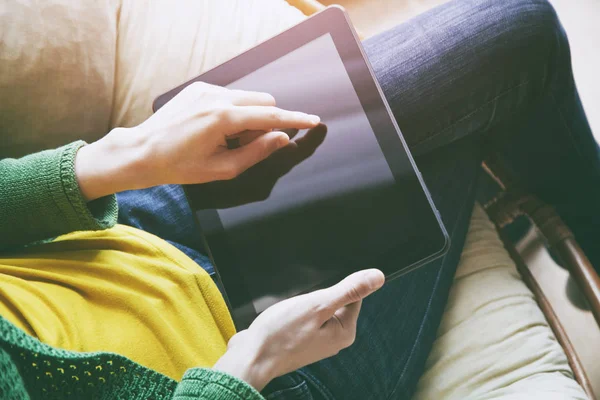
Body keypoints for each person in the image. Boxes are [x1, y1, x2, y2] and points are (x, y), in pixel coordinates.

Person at [1, 0, 598, 399]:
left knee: (517, 32)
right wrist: (246, 370)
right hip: (266, 366)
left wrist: (117, 157)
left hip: (134, 226)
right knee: (476, 113)